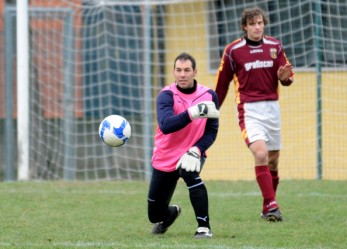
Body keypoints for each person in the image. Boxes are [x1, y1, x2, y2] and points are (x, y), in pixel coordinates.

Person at [215, 7, 294, 222]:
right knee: (260, 153)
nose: (257, 27)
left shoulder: (275, 46)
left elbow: (286, 77)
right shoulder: (233, 51)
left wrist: (285, 78)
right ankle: (273, 205)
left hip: (272, 108)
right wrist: (213, 110)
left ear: (264, 24)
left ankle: (267, 205)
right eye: (252, 23)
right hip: (249, 110)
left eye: (260, 23)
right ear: (245, 26)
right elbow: (222, 85)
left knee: (273, 161)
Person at [147, 52, 219, 238]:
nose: (182, 74)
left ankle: (204, 227)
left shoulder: (209, 95)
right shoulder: (166, 95)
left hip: (192, 152)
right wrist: (193, 112)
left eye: (187, 70)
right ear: (173, 72)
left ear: (195, 72)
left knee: (188, 171)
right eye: (178, 70)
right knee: (154, 215)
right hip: (165, 155)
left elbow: (211, 131)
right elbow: (166, 125)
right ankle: (171, 213)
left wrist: (197, 149)